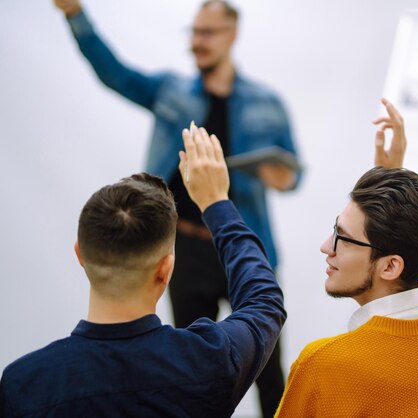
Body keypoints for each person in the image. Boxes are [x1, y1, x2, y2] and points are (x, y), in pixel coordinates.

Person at [52, 1, 300, 415]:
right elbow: (115, 73)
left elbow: (293, 173)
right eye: (194, 32)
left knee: (268, 365)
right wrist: (76, 14)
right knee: (190, 369)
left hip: (242, 243)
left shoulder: (268, 103)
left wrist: (282, 177)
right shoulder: (171, 89)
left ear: (231, 35)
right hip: (183, 250)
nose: (196, 43)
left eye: (207, 33)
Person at [0, 127, 285, 417]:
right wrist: (216, 203)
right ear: (166, 269)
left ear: (80, 255)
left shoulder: (22, 384)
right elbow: (264, 302)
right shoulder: (207, 363)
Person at [274, 100, 418, 417]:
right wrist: (394, 181)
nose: (326, 246)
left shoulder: (323, 366)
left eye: (343, 238)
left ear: (391, 266)